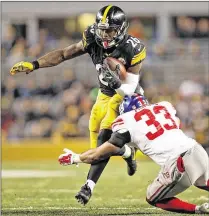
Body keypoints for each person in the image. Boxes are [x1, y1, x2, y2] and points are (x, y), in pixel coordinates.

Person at [10, 5, 146, 205]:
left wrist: (116, 80)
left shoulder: (133, 47)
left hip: (124, 96)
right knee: (96, 143)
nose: (105, 35)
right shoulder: (92, 37)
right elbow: (65, 53)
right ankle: (126, 153)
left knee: (103, 136)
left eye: (110, 30)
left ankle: (87, 187)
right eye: (102, 30)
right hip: (104, 93)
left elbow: (130, 87)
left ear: (121, 29)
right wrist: (35, 64)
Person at [58, 94, 209, 214]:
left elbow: (100, 153)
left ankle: (198, 210)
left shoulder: (125, 120)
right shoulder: (164, 106)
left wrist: (75, 158)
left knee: (153, 198)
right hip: (196, 149)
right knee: (203, 183)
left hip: (179, 162)